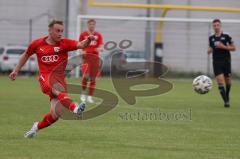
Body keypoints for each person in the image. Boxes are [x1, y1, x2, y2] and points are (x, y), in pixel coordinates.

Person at [9, 19, 94, 138]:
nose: (60, 33)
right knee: (55, 88)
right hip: (45, 78)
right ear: (50, 30)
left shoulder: (64, 43)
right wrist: (16, 70)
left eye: (62, 31)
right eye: (57, 30)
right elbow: (26, 54)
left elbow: (81, 44)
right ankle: (75, 108)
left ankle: (36, 127)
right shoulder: (37, 44)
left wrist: (89, 40)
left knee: (56, 114)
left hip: (60, 80)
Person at [208, 19, 236, 107]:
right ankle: (226, 102)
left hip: (226, 61)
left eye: (217, 25)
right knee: (220, 81)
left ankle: (227, 95)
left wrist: (223, 46)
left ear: (220, 26)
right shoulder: (211, 38)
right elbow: (210, 48)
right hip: (216, 62)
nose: (216, 27)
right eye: (214, 25)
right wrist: (209, 50)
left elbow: (234, 48)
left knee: (228, 81)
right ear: (213, 27)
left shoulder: (227, 36)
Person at [79, 19, 103, 103]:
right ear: (88, 25)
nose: (92, 26)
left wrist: (98, 49)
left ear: (95, 25)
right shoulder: (83, 35)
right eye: (90, 24)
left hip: (95, 59)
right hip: (86, 58)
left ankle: (89, 97)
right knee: (86, 76)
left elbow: (101, 47)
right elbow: (80, 46)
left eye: (93, 24)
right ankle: (83, 93)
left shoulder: (98, 35)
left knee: (93, 78)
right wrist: (83, 51)